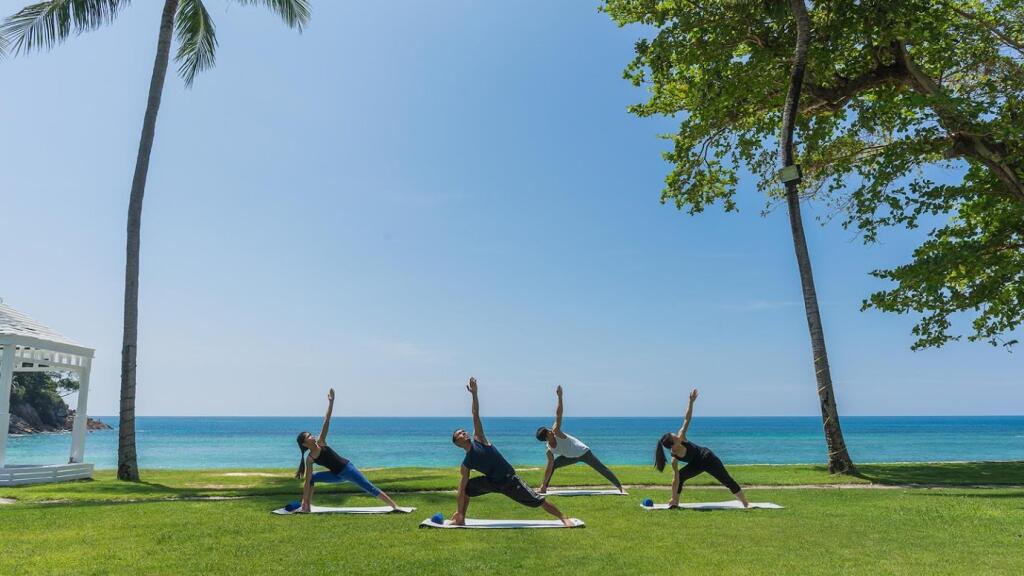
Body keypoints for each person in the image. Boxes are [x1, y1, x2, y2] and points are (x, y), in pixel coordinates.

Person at [451, 377, 573, 527]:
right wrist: (458, 510)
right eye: (460, 434)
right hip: (492, 482)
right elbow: (462, 488)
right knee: (466, 488)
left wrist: (474, 394)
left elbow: (475, 413)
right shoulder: (466, 463)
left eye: (464, 431)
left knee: (536, 500)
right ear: (458, 443)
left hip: (509, 479)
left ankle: (562, 517)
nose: (464, 433)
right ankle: (461, 518)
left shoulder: (479, 439)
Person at [295, 388, 401, 512]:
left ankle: (395, 506)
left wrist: (331, 402)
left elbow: (326, 421)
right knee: (312, 477)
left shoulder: (321, 442)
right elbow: (307, 481)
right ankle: (307, 505)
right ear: (305, 443)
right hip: (337, 475)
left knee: (368, 487)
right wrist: (304, 500)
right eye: (309, 436)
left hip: (348, 469)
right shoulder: (310, 459)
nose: (312, 436)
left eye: (311, 434)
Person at [654, 388, 750, 508]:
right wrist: (673, 496)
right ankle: (675, 503)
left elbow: (687, 419)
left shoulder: (682, 436)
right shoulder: (674, 458)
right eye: (675, 438)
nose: (678, 436)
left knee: (726, 479)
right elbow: (675, 480)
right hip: (696, 464)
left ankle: (746, 503)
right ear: (673, 445)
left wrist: (691, 402)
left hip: (708, 457)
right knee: (681, 476)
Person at [536, 385, 624, 494]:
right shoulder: (549, 451)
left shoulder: (556, 432)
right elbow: (549, 468)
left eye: (549, 430)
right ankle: (543, 487)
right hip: (570, 457)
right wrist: (544, 483)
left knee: (601, 468)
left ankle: (619, 487)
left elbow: (559, 414)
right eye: (548, 432)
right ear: (546, 438)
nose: (550, 430)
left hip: (583, 453)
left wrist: (560, 397)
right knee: (552, 465)